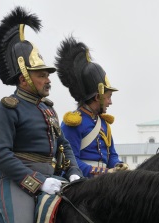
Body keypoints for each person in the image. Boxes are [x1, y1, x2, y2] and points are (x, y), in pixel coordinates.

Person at [0, 7, 83, 223]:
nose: (48, 79)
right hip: (12, 178)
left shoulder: (48, 110)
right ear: (23, 76)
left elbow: (64, 146)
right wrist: (37, 182)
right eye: (41, 74)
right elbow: (1, 156)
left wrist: (74, 171)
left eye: (47, 74)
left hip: (51, 176)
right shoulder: (4, 109)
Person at [55, 36, 128, 177]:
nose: (110, 102)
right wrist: (102, 171)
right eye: (108, 97)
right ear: (97, 97)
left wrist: (118, 165)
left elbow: (111, 155)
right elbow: (71, 160)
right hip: (82, 180)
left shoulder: (104, 123)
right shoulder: (74, 122)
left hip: (105, 178)